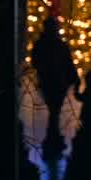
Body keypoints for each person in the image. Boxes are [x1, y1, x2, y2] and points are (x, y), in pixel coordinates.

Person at [30, 16, 79, 162]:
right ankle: (53, 137)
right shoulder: (59, 45)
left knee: (54, 109)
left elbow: (35, 61)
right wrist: (73, 79)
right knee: (55, 109)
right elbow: (68, 63)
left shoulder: (40, 44)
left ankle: (53, 137)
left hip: (47, 80)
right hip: (58, 81)